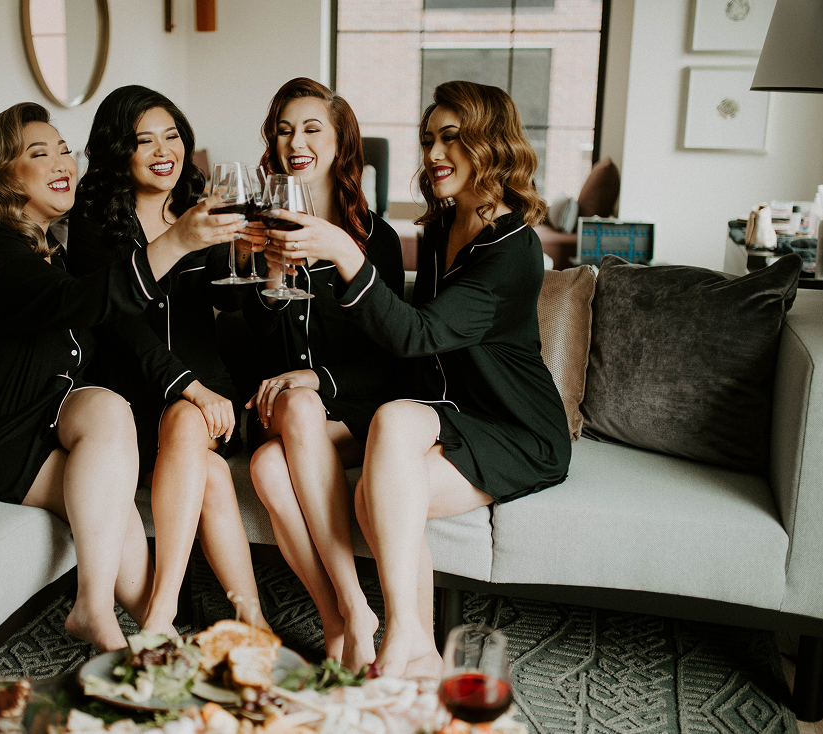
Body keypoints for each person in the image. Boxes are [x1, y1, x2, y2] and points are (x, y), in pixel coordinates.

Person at [0, 102, 246, 652]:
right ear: (2, 175)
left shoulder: (46, 250)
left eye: (64, 149)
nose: (62, 160)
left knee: (109, 409)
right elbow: (85, 304)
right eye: (39, 154)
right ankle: (120, 625)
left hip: (30, 422)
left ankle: (105, 612)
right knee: (131, 554)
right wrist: (178, 240)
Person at [260, 81, 571, 677]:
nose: (432, 154)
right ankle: (394, 638)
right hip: (444, 413)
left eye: (452, 138)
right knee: (276, 464)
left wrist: (342, 253)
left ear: (493, 144)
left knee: (378, 480)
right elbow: (408, 355)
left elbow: (417, 335)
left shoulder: (514, 248)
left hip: (511, 427)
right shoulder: (440, 228)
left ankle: (409, 638)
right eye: (429, 139)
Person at [67, 86, 270, 634]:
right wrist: (189, 385)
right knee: (204, 467)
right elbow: (117, 322)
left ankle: (161, 611)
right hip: (131, 396)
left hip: (208, 391)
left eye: (173, 135)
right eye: (144, 140)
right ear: (118, 152)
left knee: (187, 421)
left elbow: (228, 299)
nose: (164, 150)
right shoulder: (91, 220)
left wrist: (245, 258)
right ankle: (251, 616)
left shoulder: (198, 205)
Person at [242, 78, 404, 671]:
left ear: (341, 145)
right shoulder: (262, 235)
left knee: (266, 462)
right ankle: (351, 612)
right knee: (285, 421)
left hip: (349, 410)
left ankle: (343, 618)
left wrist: (319, 382)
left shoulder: (375, 240)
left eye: (312, 129)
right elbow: (257, 353)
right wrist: (268, 278)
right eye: (284, 130)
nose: (296, 141)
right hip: (281, 408)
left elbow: (391, 354)